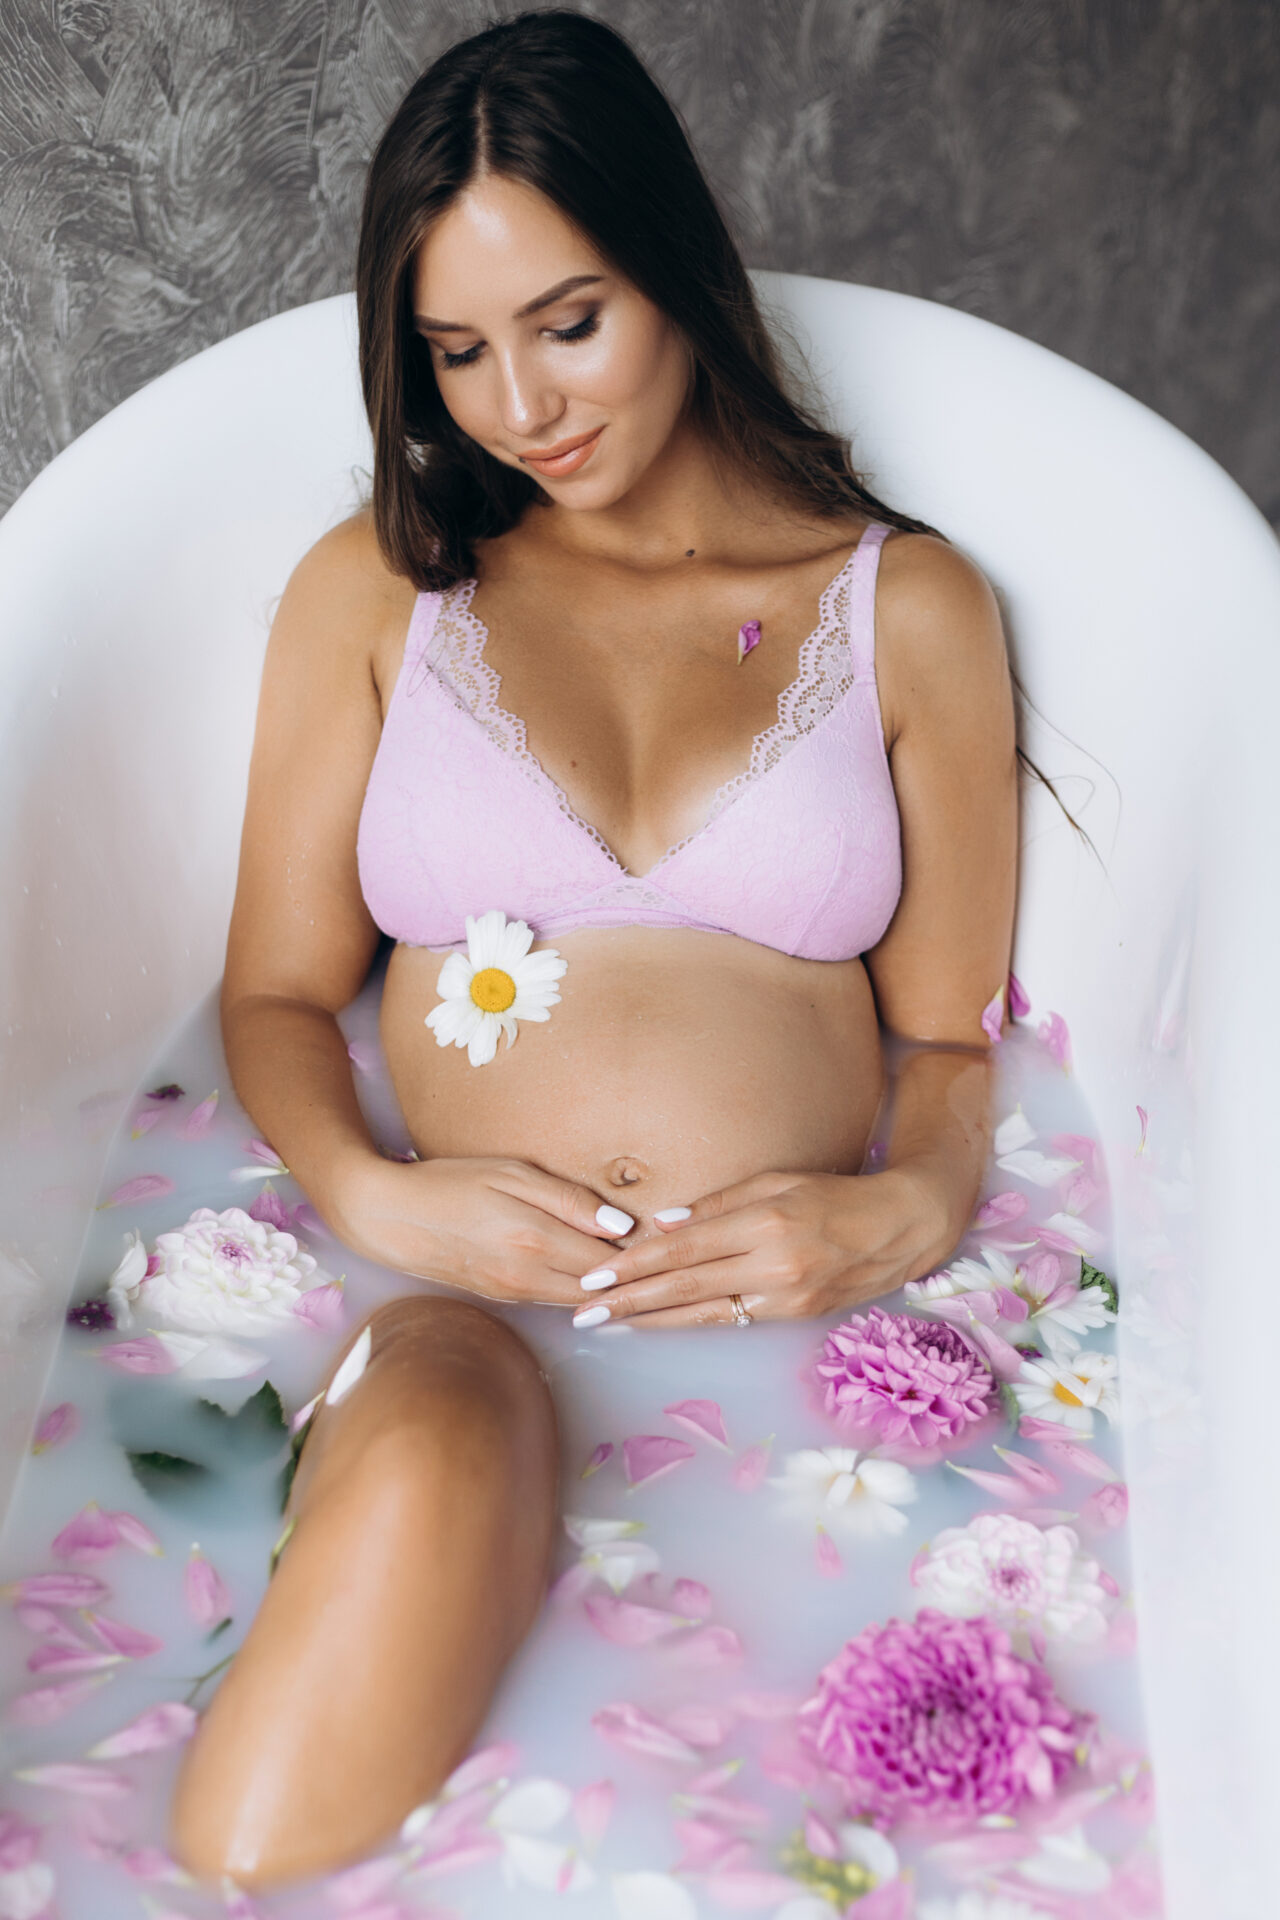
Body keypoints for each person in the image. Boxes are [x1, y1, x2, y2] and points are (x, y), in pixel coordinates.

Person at [169, 7, 1017, 1890]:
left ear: (679, 275)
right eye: (456, 350)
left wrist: (904, 1215)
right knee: (365, 1613)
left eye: (570, 322)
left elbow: (955, 1046)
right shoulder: (379, 589)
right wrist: (374, 1196)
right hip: (449, 1298)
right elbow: (275, 993)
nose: (519, 408)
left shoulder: (910, 608)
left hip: (816, 1347)